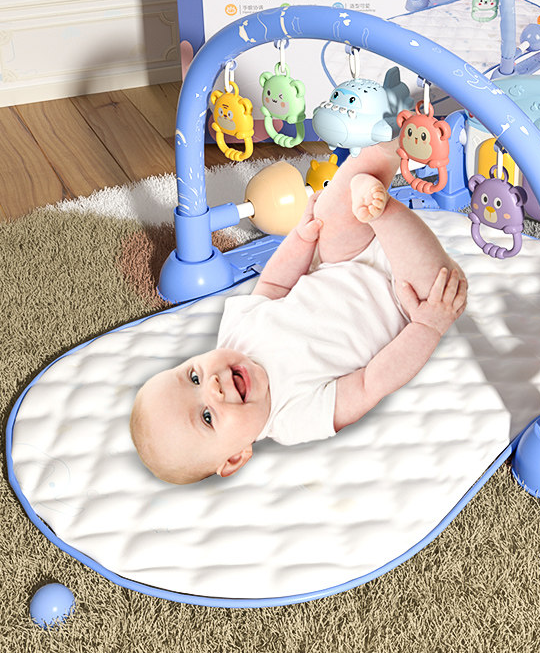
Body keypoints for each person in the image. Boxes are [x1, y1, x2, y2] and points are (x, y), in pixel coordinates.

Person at [130, 139, 468, 484]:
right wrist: (428, 327)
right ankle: (382, 209)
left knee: (328, 213)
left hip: (344, 260)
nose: (213, 386)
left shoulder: (234, 334)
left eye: (194, 377)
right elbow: (371, 383)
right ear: (235, 457)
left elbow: (274, 283)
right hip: (405, 301)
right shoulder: (294, 418)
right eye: (206, 416)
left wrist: (302, 238)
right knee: (440, 288)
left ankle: (386, 148)